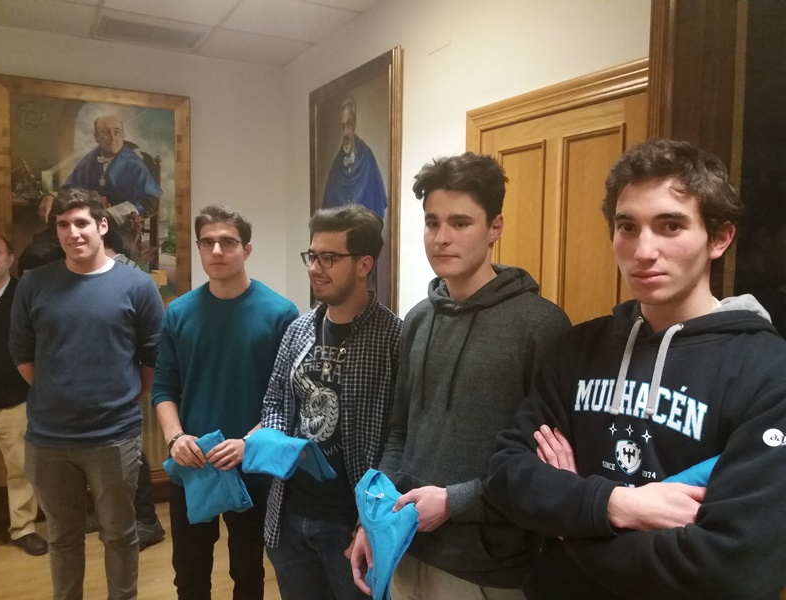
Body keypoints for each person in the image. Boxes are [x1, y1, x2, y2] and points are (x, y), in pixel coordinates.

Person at [485, 138, 786, 599]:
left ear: (719, 238)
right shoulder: (578, 348)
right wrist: (614, 504)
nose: (643, 250)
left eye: (670, 226)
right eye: (627, 226)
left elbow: (735, 567)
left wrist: (570, 526)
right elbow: (507, 474)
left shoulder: (767, 372)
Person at [349, 152, 571, 599]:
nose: (441, 238)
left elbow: (544, 460)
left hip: (488, 567)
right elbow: (399, 433)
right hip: (405, 545)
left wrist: (456, 502)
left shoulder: (541, 326)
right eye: (432, 223)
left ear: (495, 227)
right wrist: (370, 519)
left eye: (460, 223)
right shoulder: (417, 320)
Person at [9, 187, 163, 599]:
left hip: (113, 437)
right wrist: (59, 391)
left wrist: (122, 397)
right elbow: (22, 355)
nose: (73, 233)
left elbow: (152, 358)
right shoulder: (35, 284)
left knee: (120, 534)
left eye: (81, 223)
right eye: (63, 225)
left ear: (102, 225)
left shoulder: (137, 286)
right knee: (62, 537)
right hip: (49, 439)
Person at [152, 205, 298, 600]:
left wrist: (249, 442)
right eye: (208, 242)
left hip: (251, 466)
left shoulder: (280, 314)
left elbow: (288, 399)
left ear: (246, 249)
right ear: (199, 248)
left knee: (248, 572)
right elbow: (163, 388)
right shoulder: (178, 313)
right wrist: (175, 438)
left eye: (228, 242)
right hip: (192, 464)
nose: (216, 250)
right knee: (189, 574)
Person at [261, 204, 402, 600]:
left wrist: (371, 521)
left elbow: (402, 436)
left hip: (351, 527)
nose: (314, 268)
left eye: (329, 258)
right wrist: (276, 442)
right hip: (290, 516)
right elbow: (274, 402)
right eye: (312, 256)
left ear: (363, 264)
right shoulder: (299, 330)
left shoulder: (394, 338)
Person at [0, 235, 47, 556]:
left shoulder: (28, 296)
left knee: (22, 469)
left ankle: (23, 528)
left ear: (10, 258)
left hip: (17, 399)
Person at [38, 115, 163, 228]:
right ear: (96, 137)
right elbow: (71, 188)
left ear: (122, 135)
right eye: (105, 132)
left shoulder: (135, 164)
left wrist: (108, 214)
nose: (113, 138)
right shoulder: (89, 160)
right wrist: (52, 196)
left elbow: (148, 203)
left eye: (117, 132)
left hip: (119, 226)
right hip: (86, 223)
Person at [322, 97, 388, 219]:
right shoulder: (336, 166)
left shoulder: (367, 159)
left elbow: (378, 209)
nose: (346, 132)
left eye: (349, 124)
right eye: (343, 127)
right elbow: (326, 213)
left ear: (354, 125)